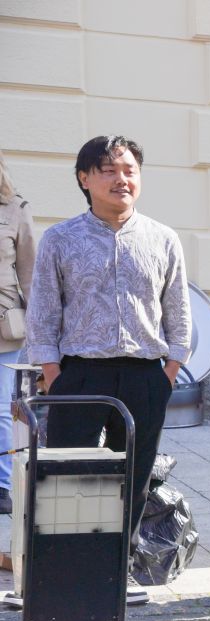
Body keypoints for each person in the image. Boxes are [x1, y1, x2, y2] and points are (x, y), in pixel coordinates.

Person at [27, 135, 191, 606]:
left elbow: (178, 310)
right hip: (80, 375)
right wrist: (53, 373)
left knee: (134, 478)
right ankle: (69, 576)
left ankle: (118, 573)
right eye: (109, 170)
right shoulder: (60, 239)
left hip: (145, 375)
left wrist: (170, 369)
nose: (122, 179)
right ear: (85, 179)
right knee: (72, 478)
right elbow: (43, 311)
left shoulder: (163, 238)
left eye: (129, 170)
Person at [0, 150, 37, 516]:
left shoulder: (15, 209)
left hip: (2, 324)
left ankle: (2, 485)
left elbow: (30, 274)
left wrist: (41, 329)